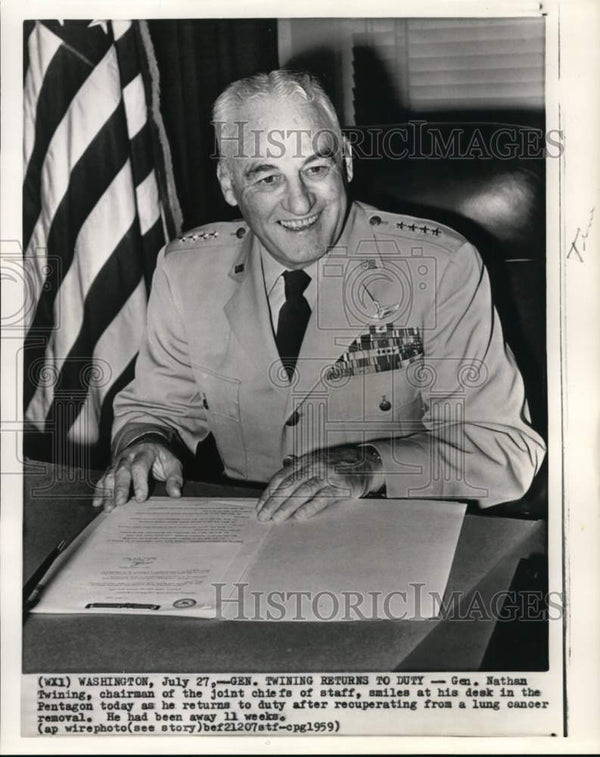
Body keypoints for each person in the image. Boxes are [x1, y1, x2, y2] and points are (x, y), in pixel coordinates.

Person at [93, 69, 546, 520]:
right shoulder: (186, 271)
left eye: (315, 168)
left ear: (345, 161)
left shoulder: (440, 266)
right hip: (248, 539)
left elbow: (503, 448)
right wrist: (144, 442)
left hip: (392, 532)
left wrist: (369, 466)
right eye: (267, 178)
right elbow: (157, 409)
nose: (300, 203)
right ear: (229, 184)